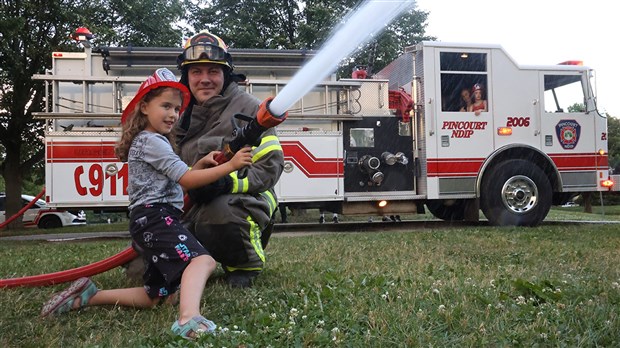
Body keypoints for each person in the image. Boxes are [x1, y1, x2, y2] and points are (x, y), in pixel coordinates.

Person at [40, 68, 253, 340]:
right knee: (202, 261)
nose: (173, 114)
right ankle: (188, 320)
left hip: (150, 220)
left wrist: (201, 164)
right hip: (155, 217)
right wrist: (231, 166)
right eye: (166, 106)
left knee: (156, 296)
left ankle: (89, 296)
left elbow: (182, 179)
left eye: (177, 109)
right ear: (143, 107)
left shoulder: (152, 141)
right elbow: (186, 178)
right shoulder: (152, 142)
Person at [174, 30, 285, 288]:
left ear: (226, 74)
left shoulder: (249, 109)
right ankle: (193, 261)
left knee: (220, 212)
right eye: (196, 72)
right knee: (140, 263)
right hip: (188, 204)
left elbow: (270, 166)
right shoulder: (176, 113)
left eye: (213, 71)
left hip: (240, 201)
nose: (205, 79)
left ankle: (243, 264)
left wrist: (227, 183)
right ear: (186, 76)